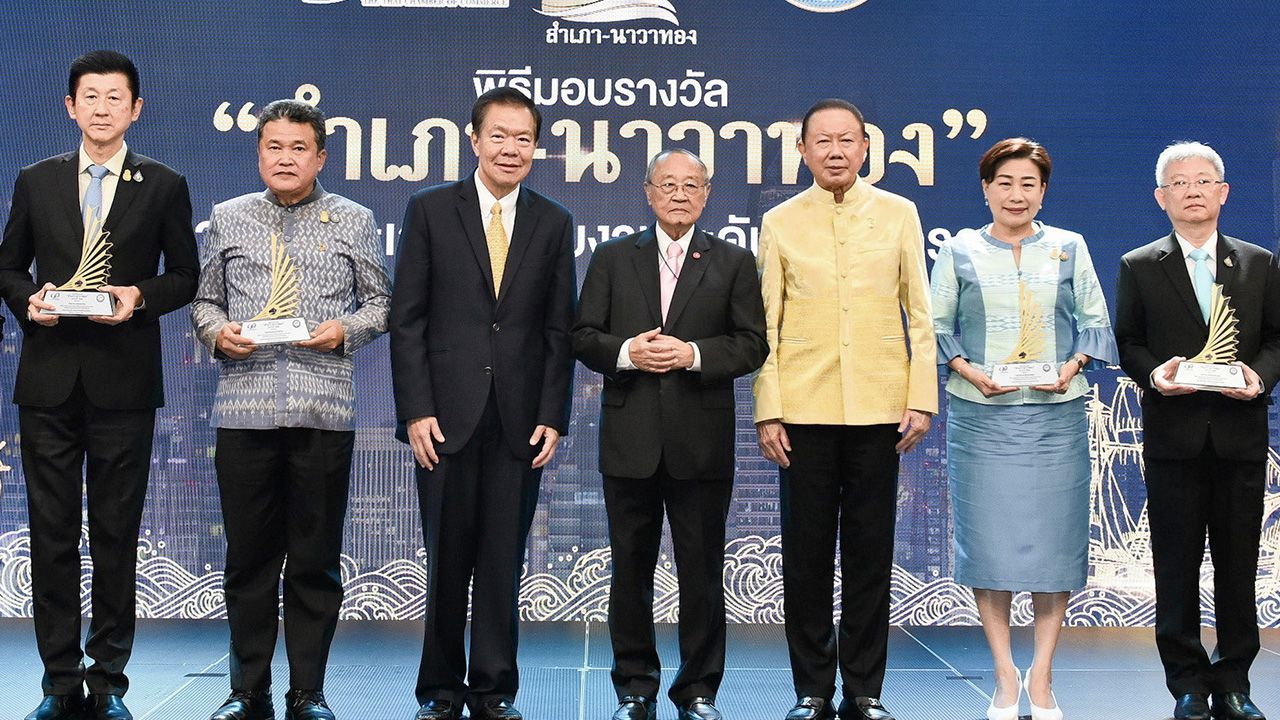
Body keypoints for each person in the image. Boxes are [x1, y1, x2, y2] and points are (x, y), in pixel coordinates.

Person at [0, 50, 198, 720]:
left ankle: (108, 678)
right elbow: (7, 267)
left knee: (116, 532)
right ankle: (58, 682)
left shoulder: (164, 183)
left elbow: (185, 276)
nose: (103, 107)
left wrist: (137, 295)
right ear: (69, 106)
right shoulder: (37, 180)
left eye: (117, 97)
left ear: (136, 109)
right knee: (51, 534)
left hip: (124, 383)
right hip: (49, 382)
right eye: (91, 96)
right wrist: (31, 300)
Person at [190, 99, 391, 720]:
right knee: (248, 561)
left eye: (298, 148)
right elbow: (204, 303)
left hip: (322, 414)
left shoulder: (352, 219)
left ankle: (309, 692)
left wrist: (344, 331)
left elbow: (381, 304)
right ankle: (246, 692)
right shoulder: (227, 217)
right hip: (244, 412)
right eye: (273, 147)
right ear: (258, 154)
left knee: (313, 563)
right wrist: (218, 333)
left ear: (321, 156)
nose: (285, 158)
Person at [389, 87, 576, 720]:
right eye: (499, 135)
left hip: (520, 421)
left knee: (502, 562)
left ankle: (494, 691)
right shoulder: (431, 210)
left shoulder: (553, 222)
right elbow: (407, 320)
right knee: (446, 562)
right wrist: (415, 409)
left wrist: (554, 413)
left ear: (536, 148)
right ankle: (439, 691)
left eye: (524, 138)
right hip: (443, 418)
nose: (511, 148)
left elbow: (558, 330)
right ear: (473, 140)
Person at [752, 99, 936, 720]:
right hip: (801, 411)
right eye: (822, 141)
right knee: (804, 558)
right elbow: (766, 325)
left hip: (881, 408)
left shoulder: (899, 214)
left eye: (847, 140)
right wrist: (767, 409)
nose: (835, 150)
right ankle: (810, 689)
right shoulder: (779, 222)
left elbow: (920, 313)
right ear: (802, 150)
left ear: (864, 149)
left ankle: (865, 689)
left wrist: (920, 398)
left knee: (869, 554)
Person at [573, 149, 768, 720]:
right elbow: (584, 336)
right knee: (629, 572)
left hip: (701, 444)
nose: (680, 194)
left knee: (703, 572)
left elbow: (752, 343)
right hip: (629, 441)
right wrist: (629, 352)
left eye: (692, 185)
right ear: (648, 192)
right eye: (668, 184)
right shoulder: (612, 257)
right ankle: (634, 688)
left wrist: (694, 354)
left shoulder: (732, 261)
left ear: (707, 195)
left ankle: (698, 691)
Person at [930, 138, 1117, 720]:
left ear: (1043, 191)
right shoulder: (959, 250)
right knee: (990, 548)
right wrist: (969, 371)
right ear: (986, 189)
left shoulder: (1069, 247)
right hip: (981, 420)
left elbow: (1094, 321)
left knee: (1053, 550)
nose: (1016, 194)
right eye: (1005, 182)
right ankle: (1004, 676)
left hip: (1055, 418)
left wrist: (1072, 367)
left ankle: (1043, 677)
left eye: (1028, 184)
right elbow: (935, 327)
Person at [1115, 141, 1280, 720]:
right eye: (1179, 183)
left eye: (1204, 181)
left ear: (1223, 192)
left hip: (1238, 438)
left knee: (1239, 565)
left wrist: (1258, 379)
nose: (1193, 190)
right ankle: (1186, 681)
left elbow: (1276, 341)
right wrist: (1154, 375)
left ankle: (1235, 681)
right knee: (1176, 565)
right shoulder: (1139, 265)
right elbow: (1129, 343)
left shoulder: (1259, 263)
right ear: (1162, 198)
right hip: (1174, 439)